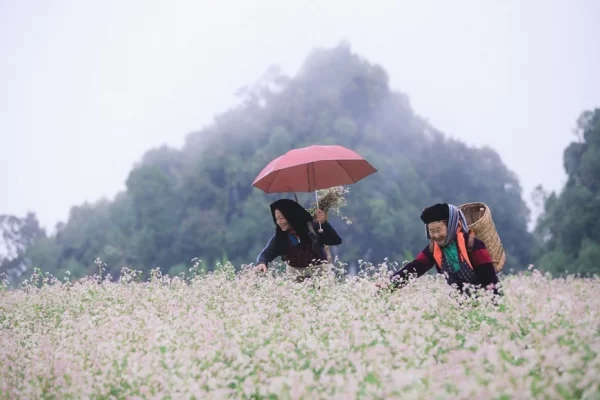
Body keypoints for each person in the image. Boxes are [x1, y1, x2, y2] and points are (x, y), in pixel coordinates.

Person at [376, 203, 501, 296]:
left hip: (483, 302)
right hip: (460, 305)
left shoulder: (473, 245)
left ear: (451, 225)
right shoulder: (433, 249)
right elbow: (414, 268)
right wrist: (388, 285)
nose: (435, 236)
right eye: (431, 231)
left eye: (438, 230)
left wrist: (495, 309)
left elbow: (490, 280)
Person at [255, 198, 343, 280]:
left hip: (320, 279)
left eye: (282, 218)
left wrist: (324, 223)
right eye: (276, 219)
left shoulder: (313, 228)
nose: (279, 222)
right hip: (295, 282)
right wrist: (262, 262)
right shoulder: (280, 237)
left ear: (291, 216)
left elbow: (336, 240)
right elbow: (266, 254)